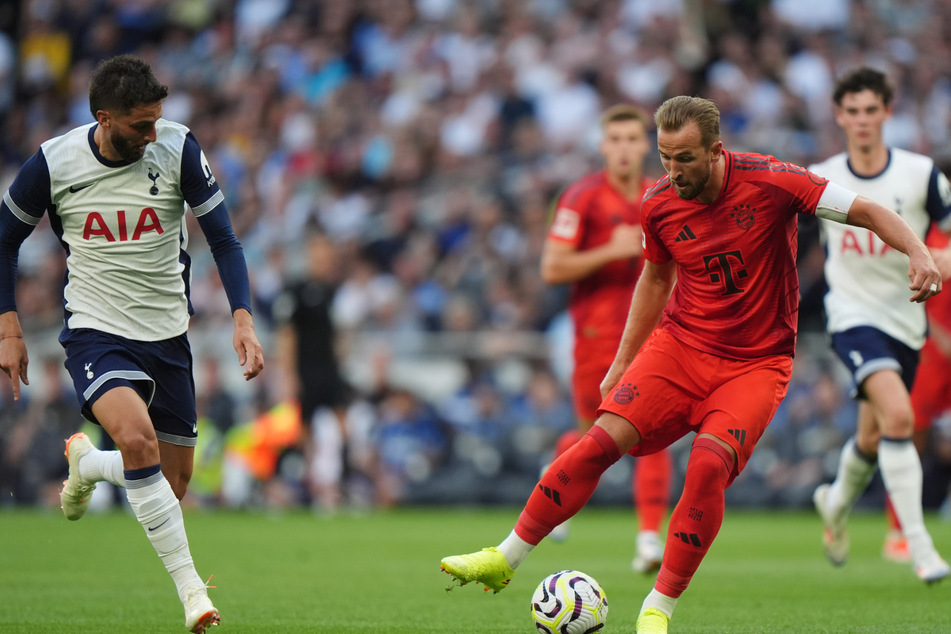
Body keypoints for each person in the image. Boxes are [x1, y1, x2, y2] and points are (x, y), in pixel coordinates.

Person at [440, 95, 941, 633]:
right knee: (599, 441)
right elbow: (655, 279)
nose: (673, 171)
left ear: (715, 151)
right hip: (680, 347)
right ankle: (504, 558)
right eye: (665, 157)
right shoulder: (658, 202)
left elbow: (866, 209)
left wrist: (917, 251)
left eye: (684, 159)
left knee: (707, 466)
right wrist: (623, 361)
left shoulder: (773, 180)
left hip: (755, 362)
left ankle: (658, 608)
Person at [0, 55, 264, 633]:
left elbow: (223, 238)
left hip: (169, 335)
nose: (152, 134)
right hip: (96, 330)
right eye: (140, 125)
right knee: (139, 439)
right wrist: (9, 327)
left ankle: (90, 462)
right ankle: (193, 593)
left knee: (171, 483)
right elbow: (4, 240)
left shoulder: (178, 147)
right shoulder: (54, 162)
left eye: (157, 121)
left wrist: (243, 317)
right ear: (105, 118)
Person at [808, 67, 951, 581]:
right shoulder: (819, 176)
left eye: (872, 110)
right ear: (839, 116)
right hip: (851, 315)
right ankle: (918, 547)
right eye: (854, 111)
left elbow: (949, 245)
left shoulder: (921, 174)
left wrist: (933, 259)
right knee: (898, 417)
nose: (863, 120)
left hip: (905, 318)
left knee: (871, 439)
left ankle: (835, 502)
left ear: (887, 113)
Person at [540, 103, 670, 572]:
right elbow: (552, 266)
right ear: (602, 145)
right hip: (596, 338)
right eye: (614, 139)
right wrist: (609, 250)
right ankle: (556, 468)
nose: (623, 148)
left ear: (645, 145)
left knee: (651, 434)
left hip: (653, 337)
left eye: (632, 139)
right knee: (591, 436)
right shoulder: (581, 197)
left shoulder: (661, 194)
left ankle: (650, 539)